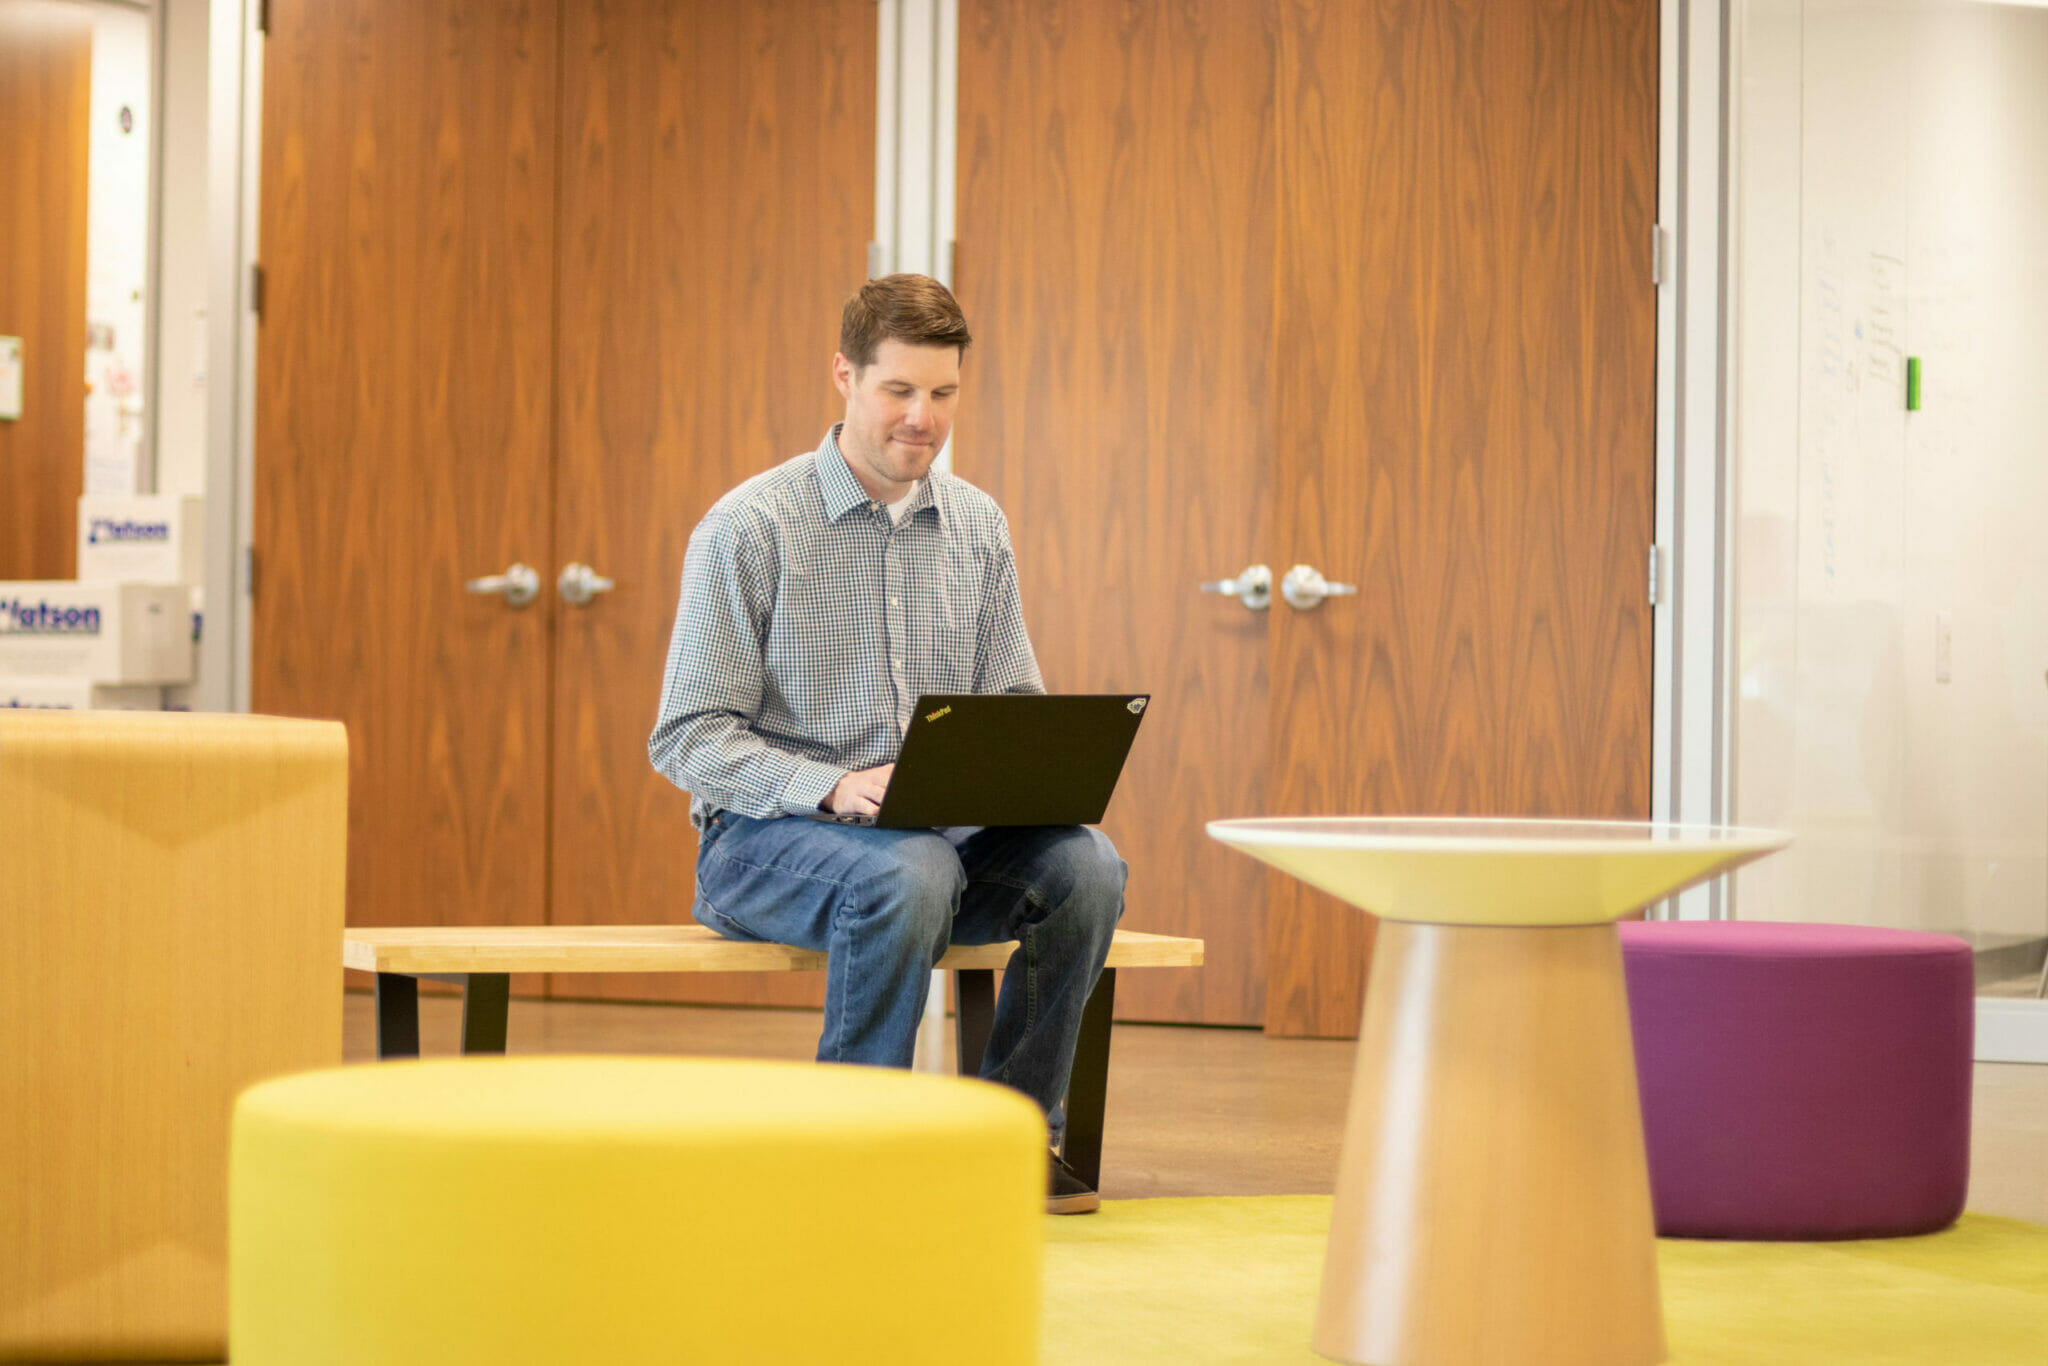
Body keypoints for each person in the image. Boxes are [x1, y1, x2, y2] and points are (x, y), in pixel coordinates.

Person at [648, 274, 1127, 1215]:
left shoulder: (977, 525)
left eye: (943, 394)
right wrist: (834, 788)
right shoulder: (751, 526)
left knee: (1089, 867)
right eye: (899, 391)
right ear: (845, 376)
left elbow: (1013, 703)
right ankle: (854, 1151)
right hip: (762, 846)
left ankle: (1013, 1140)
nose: (923, 418)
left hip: (938, 844)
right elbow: (685, 737)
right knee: (904, 870)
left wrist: (1031, 772)